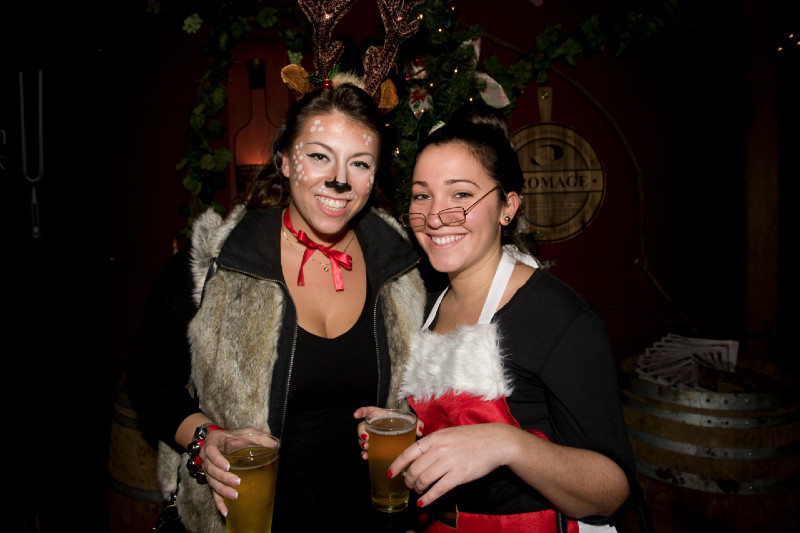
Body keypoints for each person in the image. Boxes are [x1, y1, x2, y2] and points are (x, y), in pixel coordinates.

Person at [127, 81, 427, 533]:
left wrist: (411, 418)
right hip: (246, 521)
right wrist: (205, 437)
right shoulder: (216, 261)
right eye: (319, 156)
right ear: (285, 162)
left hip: (369, 520)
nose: (340, 179)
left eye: (359, 163)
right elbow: (150, 381)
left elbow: (440, 385)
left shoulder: (402, 269)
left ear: (374, 174)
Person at [356, 103, 647, 532]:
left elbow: (612, 491)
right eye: (422, 195)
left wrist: (508, 444)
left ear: (507, 207)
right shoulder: (424, 299)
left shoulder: (560, 319)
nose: (435, 216)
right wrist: (405, 428)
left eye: (461, 194)